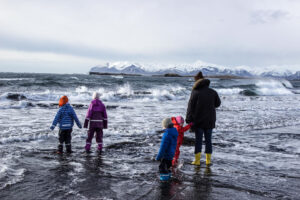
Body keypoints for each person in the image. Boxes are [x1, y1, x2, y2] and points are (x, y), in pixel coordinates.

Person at [186, 71, 221, 166]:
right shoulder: (213, 92)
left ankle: (197, 161)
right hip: (210, 120)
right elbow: (217, 104)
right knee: (208, 140)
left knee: (198, 140)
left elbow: (190, 106)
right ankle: (208, 161)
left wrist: (188, 119)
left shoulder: (195, 92)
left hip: (198, 121)